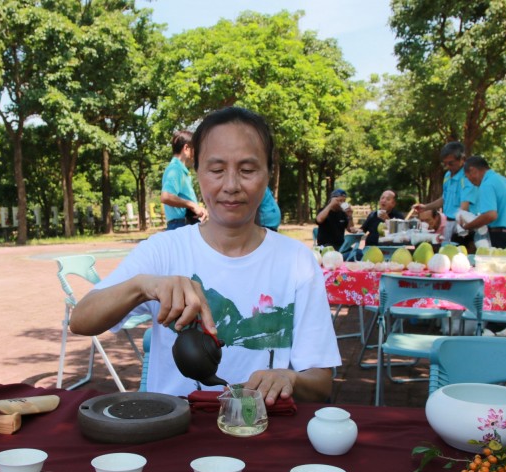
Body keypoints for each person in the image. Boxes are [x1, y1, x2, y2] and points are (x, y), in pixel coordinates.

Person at [70, 107, 340, 405]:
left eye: (248, 170)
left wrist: (290, 378)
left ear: (268, 174)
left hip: (258, 430)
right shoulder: (164, 250)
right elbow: (81, 320)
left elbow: (321, 383)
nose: (231, 185)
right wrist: (143, 286)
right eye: (216, 170)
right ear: (197, 172)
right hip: (174, 433)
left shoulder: (296, 261)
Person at [413, 142, 478, 245]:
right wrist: (425, 207)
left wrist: (461, 226)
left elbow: (465, 205)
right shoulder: (447, 175)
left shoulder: (467, 177)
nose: (448, 166)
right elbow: (444, 198)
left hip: (462, 224)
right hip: (449, 222)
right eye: (445, 163)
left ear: (462, 159)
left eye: (451, 163)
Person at [459, 156, 506, 249]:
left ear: (473, 170)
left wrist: (468, 226)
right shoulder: (503, 181)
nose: (470, 181)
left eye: (467, 177)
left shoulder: (487, 184)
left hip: (497, 237)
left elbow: (490, 215)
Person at [160, 130, 208, 230]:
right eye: (195, 150)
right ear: (186, 148)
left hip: (184, 223)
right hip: (180, 225)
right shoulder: (175, 169)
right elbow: (166, 196)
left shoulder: (180, 170)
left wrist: (197, 208)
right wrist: (192, 205)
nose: (196, 155)